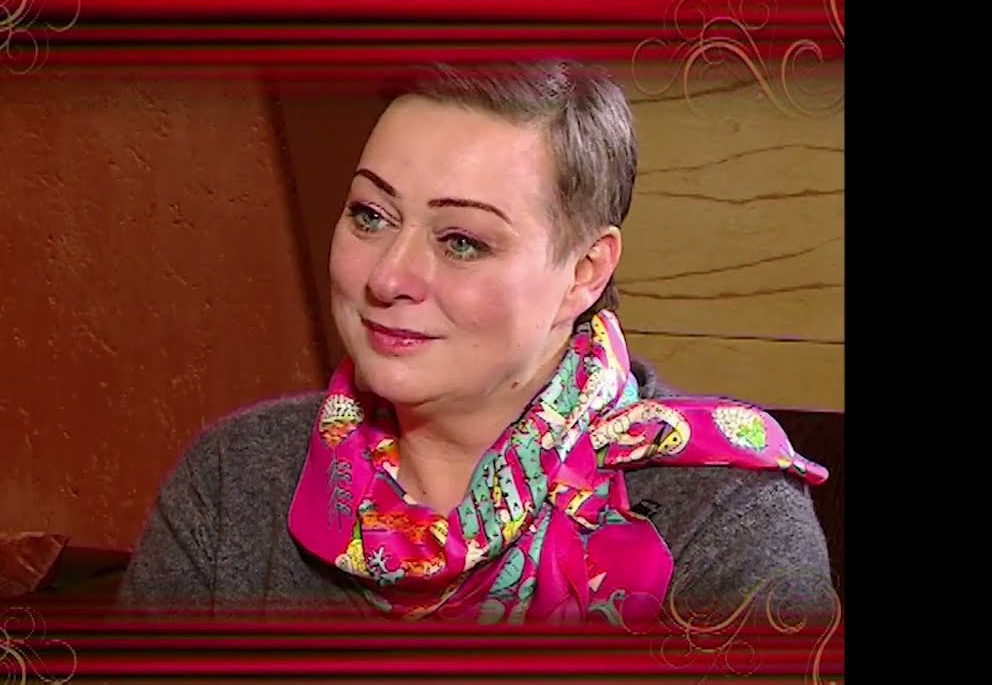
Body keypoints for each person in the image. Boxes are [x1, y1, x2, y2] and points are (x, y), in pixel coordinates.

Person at [117, 61, 836, 626]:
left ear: (584, 272)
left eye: (462, 241)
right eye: (370, 215)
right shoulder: (234, 476)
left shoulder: (725, 520)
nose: (388, 277)